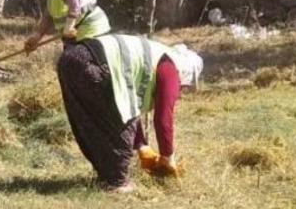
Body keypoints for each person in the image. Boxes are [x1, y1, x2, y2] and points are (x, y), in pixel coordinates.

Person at [56, 34, 203, 192]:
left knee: (89, 122)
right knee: (120, 130)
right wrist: (168, 157)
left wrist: (142, 146)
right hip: (93, 62)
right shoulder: (171, 68)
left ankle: (106, 178)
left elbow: (129, 107)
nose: (183, 89)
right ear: (188, 72)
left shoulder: (158, 56)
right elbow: (163, 119)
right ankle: (117, 184)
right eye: (186, 86)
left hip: (70, 58)